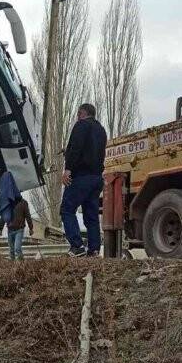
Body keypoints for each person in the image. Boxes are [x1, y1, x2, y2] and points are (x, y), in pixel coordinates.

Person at [60, 103, 107, 257]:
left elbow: (77, 148)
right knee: (91, 214)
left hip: (81, 176)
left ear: (82, 113)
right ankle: (94, 250)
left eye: (78, 114)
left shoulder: (81, 125)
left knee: (67, 209)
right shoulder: (101, 130)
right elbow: (92, 151)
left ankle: (77, 245)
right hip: (96, 178)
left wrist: (68, 169)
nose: (77, 117)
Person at [0, 196, 33, 260]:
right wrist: (0, 228)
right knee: (11, 250)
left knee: (17, 248)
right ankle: (12, 267)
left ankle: (22, 265)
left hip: (19, 230)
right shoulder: (7, 203)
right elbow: (3, 216)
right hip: (10, 230)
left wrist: (31, 228)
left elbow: (28, 216)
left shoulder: (23, 203)